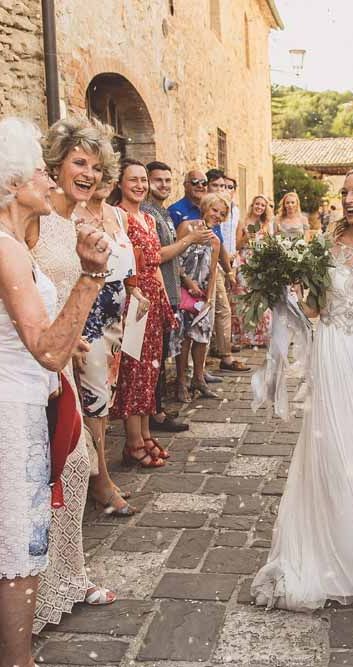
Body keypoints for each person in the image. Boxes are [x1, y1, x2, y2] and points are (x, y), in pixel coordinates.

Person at [251, 166, 353, 611]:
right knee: (332, 449)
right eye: (345, 191)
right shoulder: (324, 245)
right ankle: (323, 554)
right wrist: (289, 288)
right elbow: (314, 310)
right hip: (332, 352)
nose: (349, 198)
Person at [0, 116, 112, 667]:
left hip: (45, 377)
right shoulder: (17, 238)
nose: (54, 180)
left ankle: (65, 583)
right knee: (23, 520)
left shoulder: (53, 232)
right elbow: (41, 337)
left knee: (57, 484)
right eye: (45, 171)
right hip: (20, 388)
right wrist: (89, 281)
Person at [29, 116, 118, 632]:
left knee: (76, 464)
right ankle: (44, 586)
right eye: (78, 162)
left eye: (93, 165)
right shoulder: (38, 220)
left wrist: (77, 333)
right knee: (62, 467)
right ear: (56, 164)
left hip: (67, 355)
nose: (86, 172)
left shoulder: (74, 220)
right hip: (38, 359)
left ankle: (69, 575)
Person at [74, 175, 142, 516]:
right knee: (95, 402)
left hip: (118, 316)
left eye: (101, 168)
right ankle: (97, 482)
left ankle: (102, 475)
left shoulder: (119, 216)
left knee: (107, 397)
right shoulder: (71, 217)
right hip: (89, 316)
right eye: (86, 166)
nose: (95, 176)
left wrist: (135, 292)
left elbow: (127, 264)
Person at [110, 160, 175, 468]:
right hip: (132, 299)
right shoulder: (118, 216)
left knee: (151, 368)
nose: (139, 185)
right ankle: (133, 442)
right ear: (120, 184)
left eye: (142, 180)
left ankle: (146, 433)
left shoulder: (148, 219)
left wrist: (163, 300)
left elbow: (156, 263)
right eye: (132, 179)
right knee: (134, 371)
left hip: (153, 297)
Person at [143, 161, 212, 430]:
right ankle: (154, 414)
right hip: (157, 291)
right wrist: (189, 241)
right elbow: (158, 255)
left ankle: (157, 410)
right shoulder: (149, 213)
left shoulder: (162, 213)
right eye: (157, 180)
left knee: (160, 357)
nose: (163, 185)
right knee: (155, 358)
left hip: (170, 290)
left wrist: (185, 278)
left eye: (167, 180)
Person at [170, 194, 224, 402]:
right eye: (214, 210)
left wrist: (209, 299)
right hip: (184, 290)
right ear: (204, 208)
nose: (217, 216)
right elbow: (174, 259)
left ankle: (199, 380)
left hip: (202, 294)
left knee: (202, 337)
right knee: (184, 338)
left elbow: (212, 272)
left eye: (222, 213)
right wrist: (187, 282)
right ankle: (181, 381)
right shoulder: (186, 227)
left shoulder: (216, 241)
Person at [205, 169, 249, 372]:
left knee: (221, 310)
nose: (222, 190)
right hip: (202, 272)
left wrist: (228, 268)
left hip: (220, 266)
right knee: (215, 311)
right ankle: (216, 358)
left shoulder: (225, 211)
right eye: (217, 185)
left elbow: (221, 241)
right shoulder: (203, 211)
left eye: (225, 186)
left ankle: (222, 354)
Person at [231, 194, 272, 348]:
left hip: (259, 264)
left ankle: (259, 336)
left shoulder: (266, 224)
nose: (259, 207)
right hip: (244, 262)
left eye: (262, 205)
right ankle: (243, 337)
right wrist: (246, 238)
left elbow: (269, 245)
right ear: (252, 205)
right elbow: (236, 245)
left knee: (259, 298)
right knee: (243, 297)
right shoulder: (243, 222)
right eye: (257, 204)